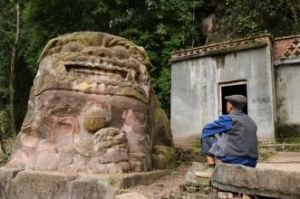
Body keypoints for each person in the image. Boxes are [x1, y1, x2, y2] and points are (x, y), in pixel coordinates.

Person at [197, 94, 258, 178]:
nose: (226, 105)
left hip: (234, 158)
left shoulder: (228, 119)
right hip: (252, 161)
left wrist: (221, 135)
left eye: (227, 103)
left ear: (230, 106)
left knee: (206, 135)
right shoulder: (251, 121)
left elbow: (206, 129)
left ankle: (211, 168)